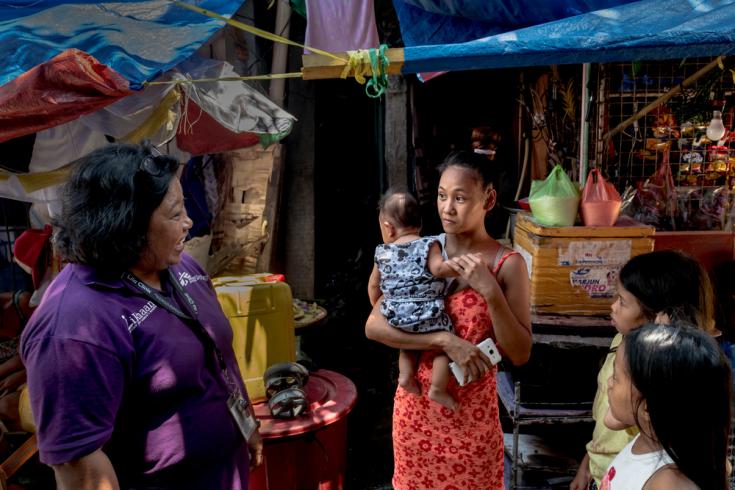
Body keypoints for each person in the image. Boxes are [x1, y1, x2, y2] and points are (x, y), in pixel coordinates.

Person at [20, 143, 262, 490]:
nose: (188, 223)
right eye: (176, 213)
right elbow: (81, 468)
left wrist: (244, 425)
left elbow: (218, 351)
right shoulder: (72, 328)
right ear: (127, 224)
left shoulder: (179, 266)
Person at [365, 150, 532, 489]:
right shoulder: (418, 250)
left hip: (470, 420)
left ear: (489, 199)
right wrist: (444, 341)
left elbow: (520, 353)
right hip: (415, 415)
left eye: (460, 198)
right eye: (442, 196)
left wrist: (491, 293)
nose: (447, 208)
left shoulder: (507, 264)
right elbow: (374, 326)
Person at [571, 250, 716, 490]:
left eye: (623, 302)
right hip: (610, 471)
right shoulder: (622, 342)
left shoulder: (657, 372)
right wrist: (587, 463)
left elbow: (610, 419)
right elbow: (603, 426)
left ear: (654, 316)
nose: (613, 306)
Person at [601, 322, 731, 489]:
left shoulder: (668, 483)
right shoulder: (648, 438)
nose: (609, 383)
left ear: (648, 407)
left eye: (616, 377)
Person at [367, 189, 458, 410]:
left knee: (407, 343)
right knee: (445, 346)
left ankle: (406, 377)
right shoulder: (429, 244)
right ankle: (438, 388)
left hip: (397, 314)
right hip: (428, 312)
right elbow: (438, 269)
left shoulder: (382, 252)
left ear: (388, 228)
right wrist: (456, 267)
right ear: (419, 222)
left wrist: (380, 303)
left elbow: (373, 285)